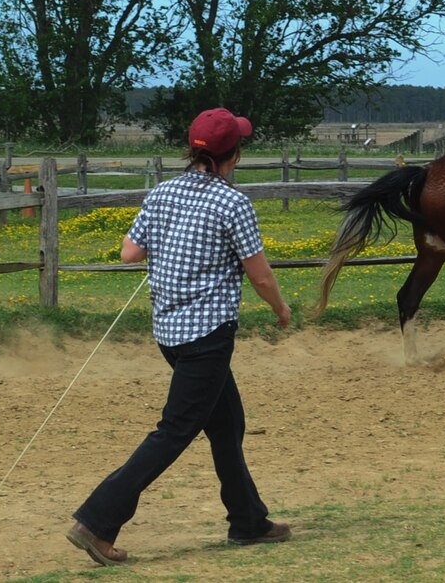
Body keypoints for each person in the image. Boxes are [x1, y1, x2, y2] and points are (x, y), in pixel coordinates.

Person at [66, 108, 293, 566]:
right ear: (235, 154)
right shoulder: (233, 203)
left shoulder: (163, 191)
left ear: (194, 150)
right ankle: (96, 520)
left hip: (169, 334)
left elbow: (130, 253)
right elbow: (262, 277)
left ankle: (248, 520)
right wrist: (282, 309)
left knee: (227, 423)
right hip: (207, 337)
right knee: (174, 432)